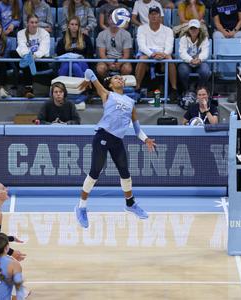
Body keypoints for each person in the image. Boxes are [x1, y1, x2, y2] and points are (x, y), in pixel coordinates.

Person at [74, 69, 156, 228]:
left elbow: (137, 128)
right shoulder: (107, 94)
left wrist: (145, 139)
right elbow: (90, 72)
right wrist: (86, 79)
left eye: (121, 78)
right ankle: (81, 207)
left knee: (125, 173)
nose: (119, 79)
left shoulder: (130, 102)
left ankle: (130, 204)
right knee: (94, 173)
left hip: (117, 140)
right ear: (110, 84)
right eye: (116, 78)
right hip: (103, 136)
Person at [134, 6, 178, 100]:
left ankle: (174, 89)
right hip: (148, 54)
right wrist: (152, 54)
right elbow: (141, 46)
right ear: (148, 16)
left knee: (169, 58)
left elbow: (169, 47)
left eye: (156, 14)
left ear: (160, 16)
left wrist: (163, 54)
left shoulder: (168, 30)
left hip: (162, 55)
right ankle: (137, 88)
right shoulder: (141, 28)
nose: (154, 16)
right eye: (152, 14)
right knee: (142, 58)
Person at [15, 14, 51, 98]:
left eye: (36, 22)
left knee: (27, 61)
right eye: (32, 22)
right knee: (14, 54)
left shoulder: (44, 33)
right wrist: (29, 57)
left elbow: (43, 49)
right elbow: (22, 47)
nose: (34, 25)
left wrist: (34, 56)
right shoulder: (21, 33)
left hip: (40, 61)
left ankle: (28, 89)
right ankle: (28, 89)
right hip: (27, 60)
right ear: (27, 23)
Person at [178, 19, 210, 96]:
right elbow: (182, 53)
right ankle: (187, 90)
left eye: (195, 28)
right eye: (191, 28)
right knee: (183, 70)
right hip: (187, 63)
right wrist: (191, 60)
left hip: (200, 62)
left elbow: (205, 52)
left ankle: (199, 89)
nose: (193, 30)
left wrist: (199, 59)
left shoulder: (204, 39)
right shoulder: (183, 38)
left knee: (205, 70)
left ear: (199, 29)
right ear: (188, 29)